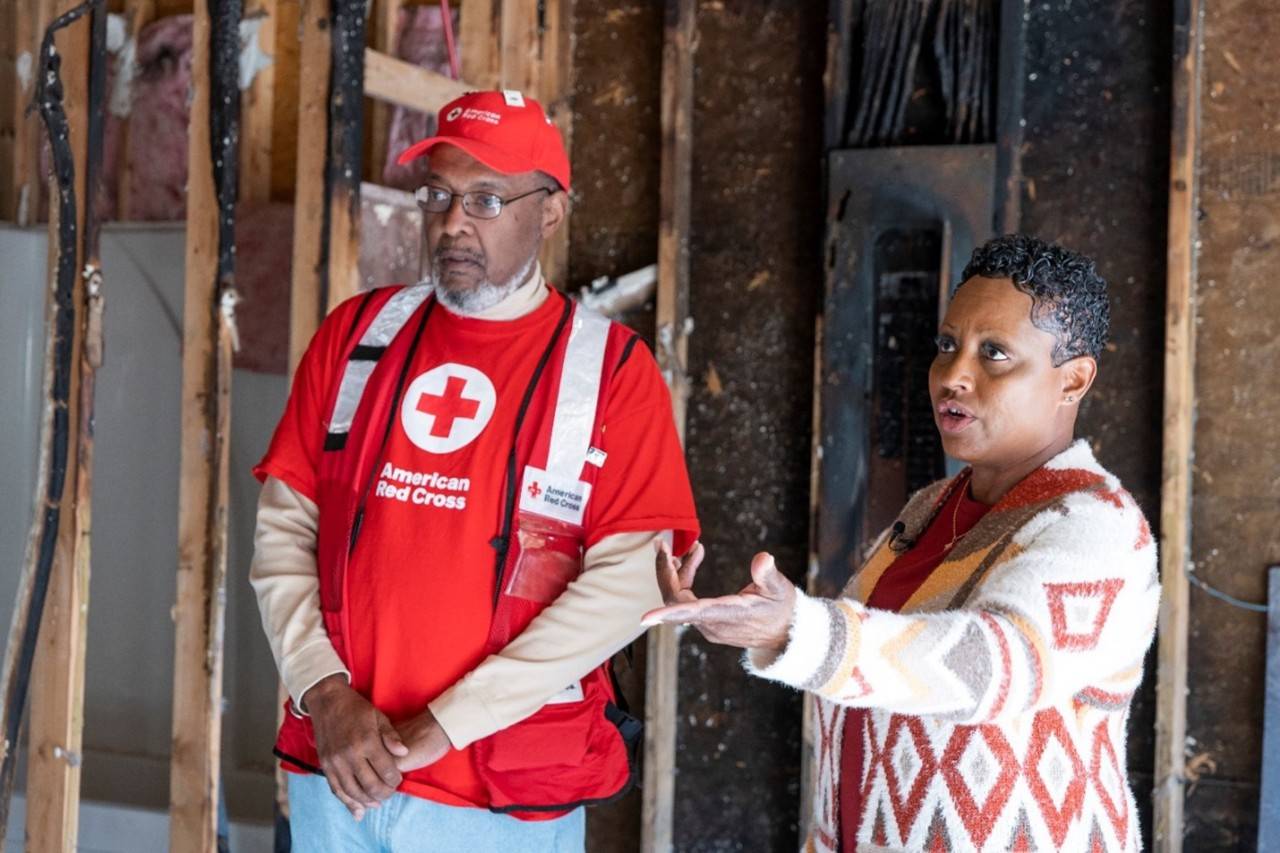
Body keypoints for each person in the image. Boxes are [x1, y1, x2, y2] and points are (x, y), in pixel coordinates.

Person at [250, 89, 699, 852]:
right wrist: (323, 691)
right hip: (337, 777)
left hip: (500, 802)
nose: (454, 222)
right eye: (439, 195)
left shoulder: (611, 371)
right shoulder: (357, 337)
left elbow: (630, 584)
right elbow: (284, 531)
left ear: (550, 211)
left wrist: (444, 724)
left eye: (487, 199)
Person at [645, 235, 1159, 852]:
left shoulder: (1096, 524)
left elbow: (992, 668)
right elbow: (875, 682)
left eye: (994, 353)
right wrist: (760, 626)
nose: (954, 376)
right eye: (948, 346)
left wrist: (799, 631)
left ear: (1073, 380)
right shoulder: (930, 507)